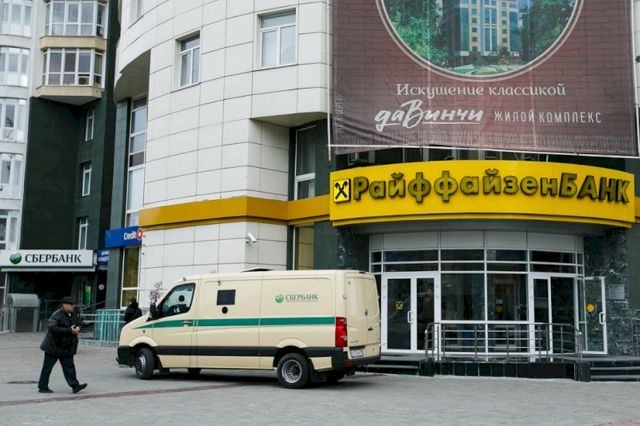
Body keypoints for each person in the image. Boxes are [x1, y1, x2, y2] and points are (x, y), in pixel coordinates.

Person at [37, 297, 88, 394]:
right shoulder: (56, 315)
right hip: (53, 347)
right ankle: (42, 386)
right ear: (65, 305)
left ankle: (75, 386)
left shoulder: (73, 314)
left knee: (69, 367)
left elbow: (80, 323)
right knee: (47, 368)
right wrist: (69, 330)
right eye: (71, 305)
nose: (73, 306)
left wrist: (78, 328)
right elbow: (53, 329)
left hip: (67, 347)